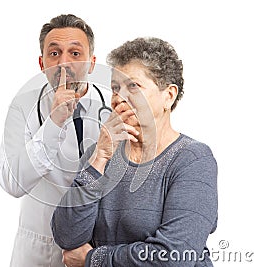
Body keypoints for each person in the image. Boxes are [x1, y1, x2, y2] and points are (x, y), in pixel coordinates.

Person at [51, 37, 218, 266]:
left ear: (168, 96)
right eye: (115, 88)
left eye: (133, 86)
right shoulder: (100, 152)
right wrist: (99, 159)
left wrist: (93, 259)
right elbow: (67, 237)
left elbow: (173, 257)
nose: (120, 98)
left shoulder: (192, 160)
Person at [0, 14, 111, 266]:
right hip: (41, 250)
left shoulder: (113, 106)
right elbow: (12, 183)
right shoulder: (22, 108)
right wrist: (54, 123)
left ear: (92, 63)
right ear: (41, 62)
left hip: (98, 248)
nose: (64, 63)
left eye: (75, 53)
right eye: (54, 53)